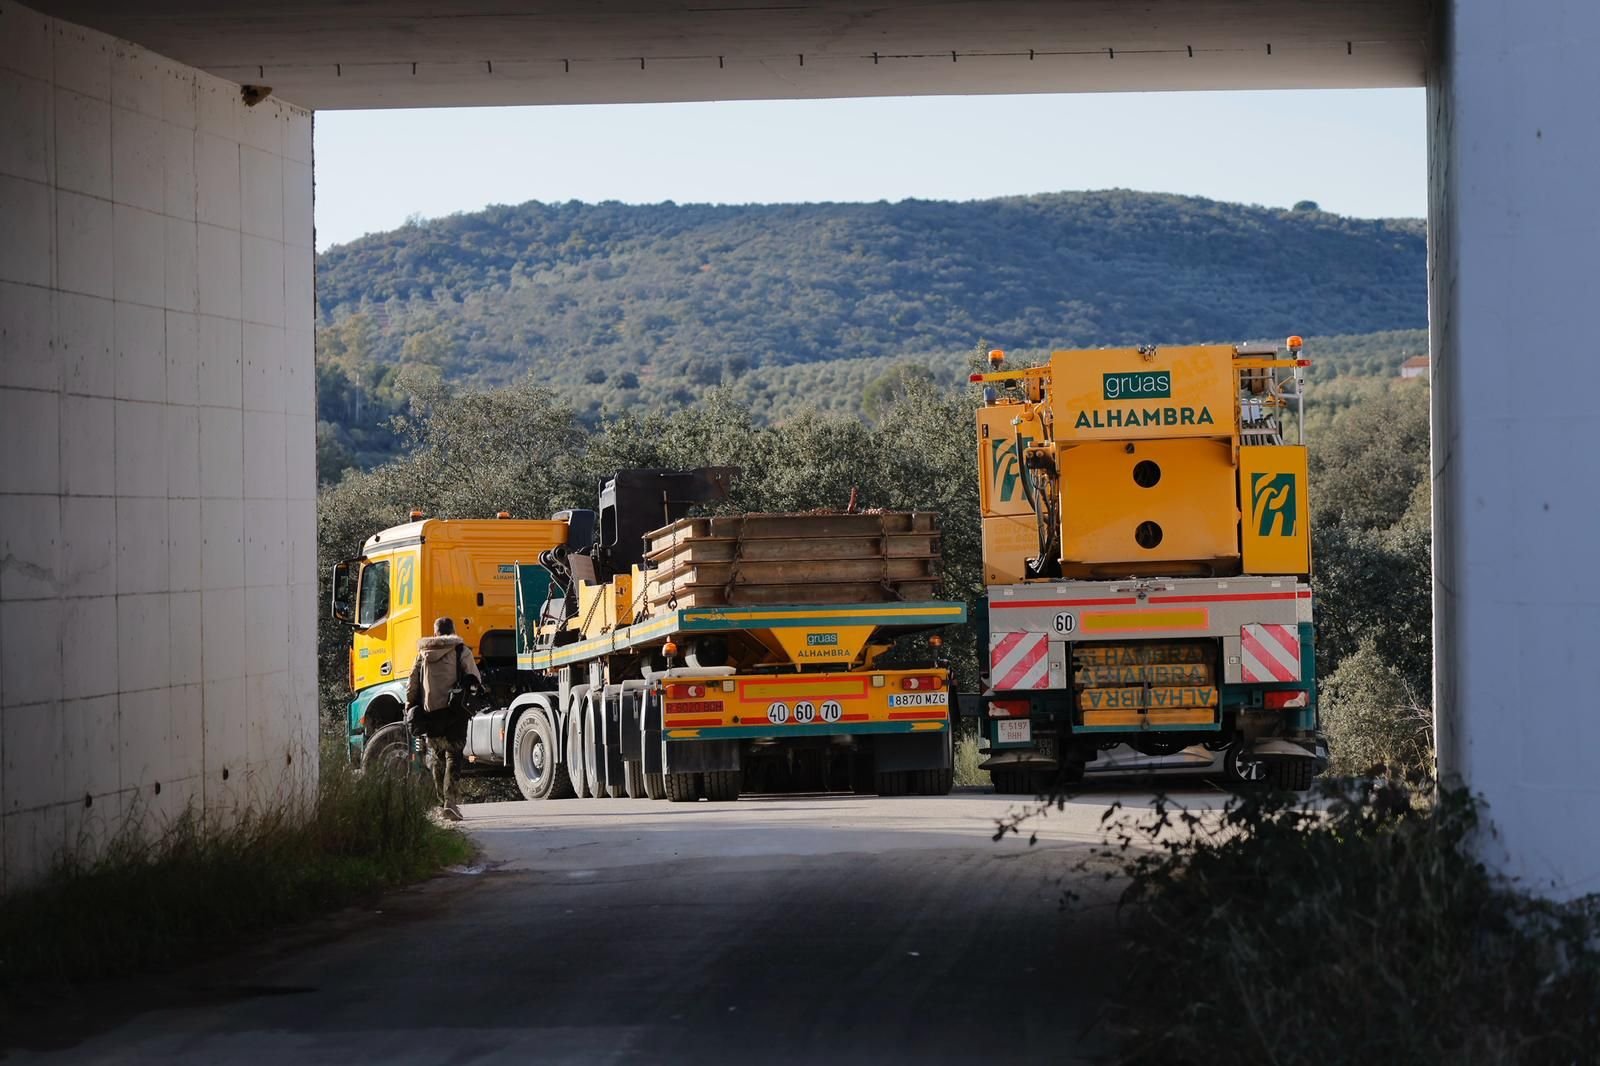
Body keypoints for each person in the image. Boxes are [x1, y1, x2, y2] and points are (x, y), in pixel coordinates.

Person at [405, 617, 483, 820]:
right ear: (453, 630)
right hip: (454, 712)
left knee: (437, 758)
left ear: (436, 632)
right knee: (453, 756)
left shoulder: (422, 654)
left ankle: (442, 803)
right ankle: (451, 802)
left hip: (430, 713)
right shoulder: (460, 650)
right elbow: (474, 677)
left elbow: (412, 684)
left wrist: (409, 706)